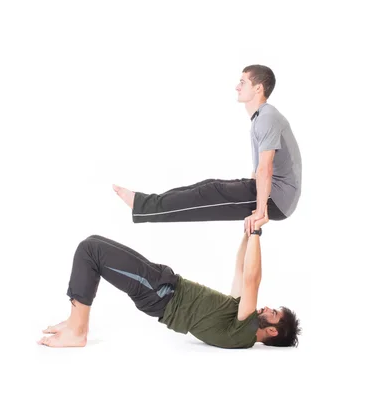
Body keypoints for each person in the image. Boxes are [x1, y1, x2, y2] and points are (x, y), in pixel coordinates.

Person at [37, 212, 301, 349]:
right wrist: (247, 232)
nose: (267, 308)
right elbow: (242, 273)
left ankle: (78, 330)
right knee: (93, 242)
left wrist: (257, 231)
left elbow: (253, 280)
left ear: (273, 331)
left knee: (90, 251)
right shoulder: (237, 321)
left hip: (161, 294)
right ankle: (74, 321)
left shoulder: (244, 331)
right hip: (164, 285)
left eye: (274, 313)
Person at [113, 64, 302, 234]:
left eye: (243, 82)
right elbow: (258, 168)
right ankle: (145, 202)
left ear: (258, 88)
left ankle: (143, 206)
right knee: (209, 185)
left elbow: (265, 168)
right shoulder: (261, 117)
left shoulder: (267, 118)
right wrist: (248, 194)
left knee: (211, 193)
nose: (237, 87)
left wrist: (260, 212)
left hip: (277, 199)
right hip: (271, 192)